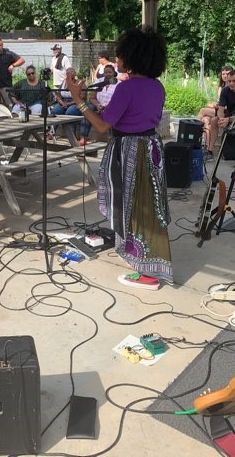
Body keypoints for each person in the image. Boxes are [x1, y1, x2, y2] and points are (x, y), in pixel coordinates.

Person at [64, 29, 171, 290]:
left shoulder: (127, 87)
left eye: (120, 54)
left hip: (130, 151)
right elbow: (131, 115)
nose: (116, 58)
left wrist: (78, 101)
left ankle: (148, 273)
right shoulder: (156, 86)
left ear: (132, 57)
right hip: (151, 148)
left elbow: (101, 126)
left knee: (135, 208)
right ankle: (147, 264)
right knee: (149, 207)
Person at [203, 69, 235, 157]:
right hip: (231, 114)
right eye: (229, 81)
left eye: (234, 81)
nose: (231, 83)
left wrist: (228, 119)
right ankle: (210, 151)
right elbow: (220, 109)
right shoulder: (225, 90)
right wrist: (221, 119)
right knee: (214, 120)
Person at [0, 37, 24, 105]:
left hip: (6, 85)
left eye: (0, 45)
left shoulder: (8, 54)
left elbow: (22, 60)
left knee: (9, 104)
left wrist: (13, 65)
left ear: (2, 45)